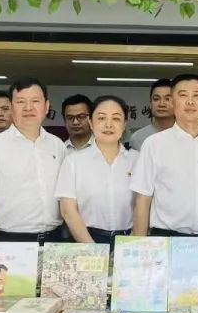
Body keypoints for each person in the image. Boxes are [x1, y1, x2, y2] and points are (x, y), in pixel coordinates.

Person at [131, 73, 198, 237]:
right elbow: (143, 200)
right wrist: (139, 243)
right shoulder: (154, 144)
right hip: (166, 237)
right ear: (173, 102)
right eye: (183, 95)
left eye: (197, 95)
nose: (190, 101)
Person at [0, 77, 65, 243]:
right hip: (11, 240)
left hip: (54, 240)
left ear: (46, 106)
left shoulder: (58, 145)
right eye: (21, 102)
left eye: (35, 101)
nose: (28, 108)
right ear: (11, 106)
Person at [56, 95, 138, 245]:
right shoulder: (73, 162)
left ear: (124, 124)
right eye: (101, 118)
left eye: (116, 118)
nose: (108, 124)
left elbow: (144, 205)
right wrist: (93, 249)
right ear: (91, 123)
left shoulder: (137, 160)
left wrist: (133, 242)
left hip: (130, 239)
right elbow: (68, 210)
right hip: (87, 238)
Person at [129, 78, 175, 150]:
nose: (162, 104)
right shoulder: (138, 138)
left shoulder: (188, 135)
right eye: (156, 99)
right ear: (150, 104)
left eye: (167, 99)